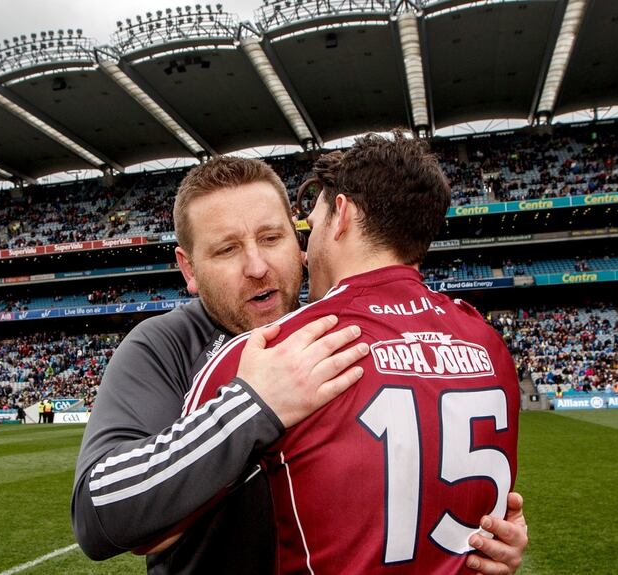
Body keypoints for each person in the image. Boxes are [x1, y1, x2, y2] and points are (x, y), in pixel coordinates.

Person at [72, 155, 528, 575]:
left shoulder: (353, 332)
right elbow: (97, 518)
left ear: (300, 241)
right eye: (227, 250)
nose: (257, 266)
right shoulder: (162, 346)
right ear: (189, 270)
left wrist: (476, 533)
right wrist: (252, 406)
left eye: (272, 238)